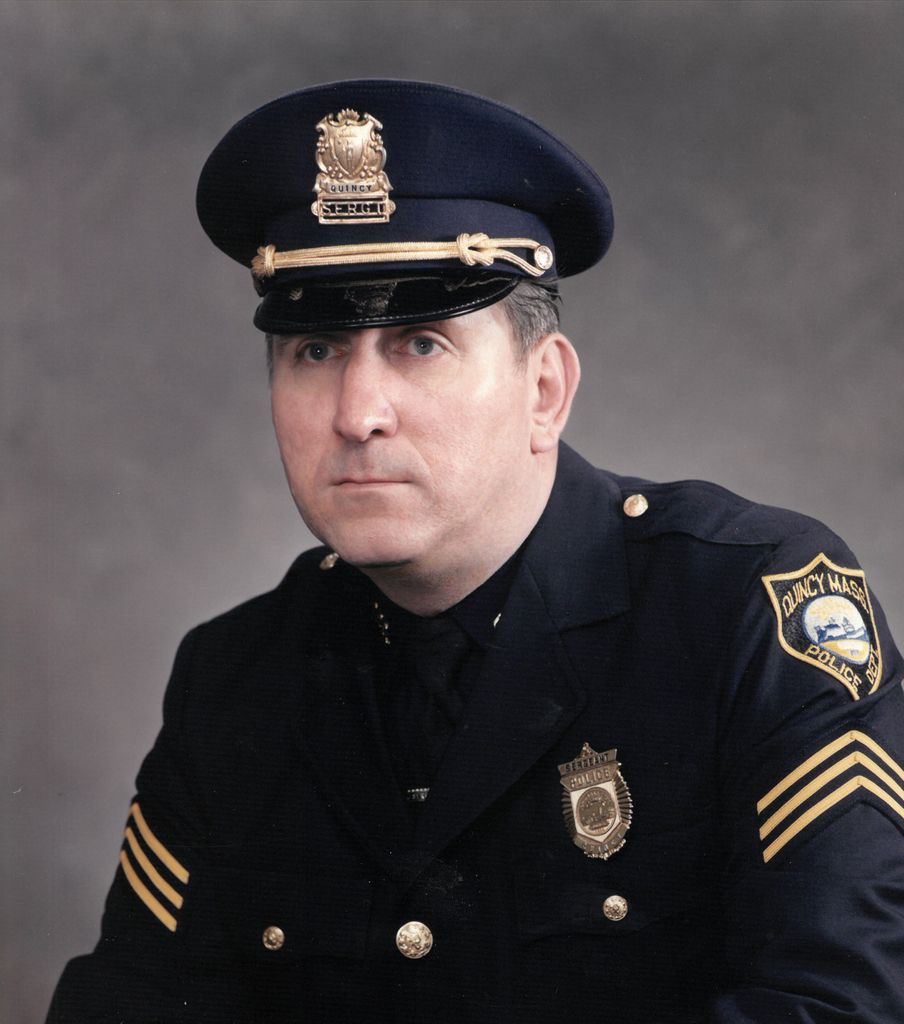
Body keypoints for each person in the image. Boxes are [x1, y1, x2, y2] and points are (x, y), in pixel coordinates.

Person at [47, 80, 904, 1023]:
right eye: (316, 351)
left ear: (545, 391)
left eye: (420, 344)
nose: (358, 414)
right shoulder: (234, 679)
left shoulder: (745, 610)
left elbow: (843, 1003)